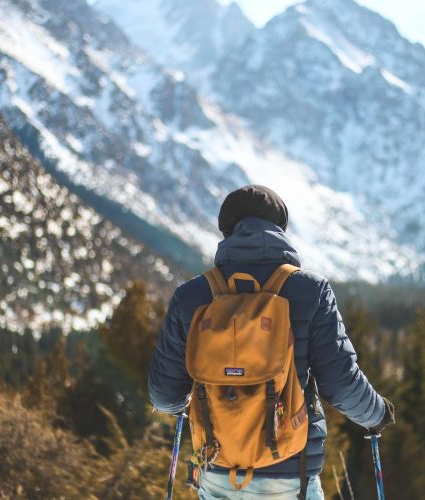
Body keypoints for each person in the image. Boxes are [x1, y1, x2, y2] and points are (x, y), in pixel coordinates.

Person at [149, 185, 395, 499]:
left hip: (216, 470)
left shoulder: (191, 296)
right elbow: (340, 384)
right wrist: (376, 414)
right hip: (289, 473)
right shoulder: (310, 290)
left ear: (226, 232)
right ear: (280, 229)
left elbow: (164, 396)